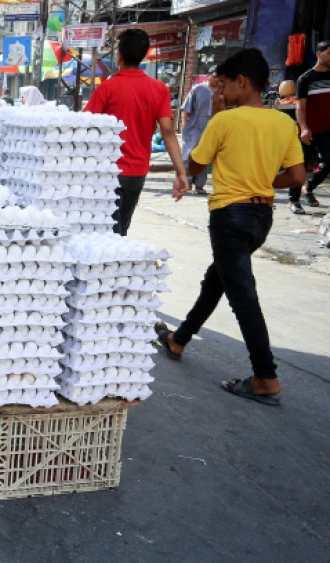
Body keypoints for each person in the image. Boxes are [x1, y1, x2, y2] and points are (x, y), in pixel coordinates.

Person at [156, 49, 305, 406]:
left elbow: (195, 166)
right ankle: (179, 339)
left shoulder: (225, 122)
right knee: (217, 280)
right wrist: (262, 180)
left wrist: (189, 165)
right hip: (261, 217)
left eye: (223, 87)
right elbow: (298, 176)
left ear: (242, 82)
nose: (219, 95)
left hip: (229, 217)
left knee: (242, 296)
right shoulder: (284, 123)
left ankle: (265, 377)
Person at [84, 28, 189, 236]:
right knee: (121, 230)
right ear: (143, 56)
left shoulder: (107, 88)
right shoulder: (159, 89)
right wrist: (181, 172)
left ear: (119, 55)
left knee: (107, 233)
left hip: (107, 172)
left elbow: (84, 127)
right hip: (137, 173)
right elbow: (168, 131)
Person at [293, 40, 330, 213]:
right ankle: (294, 200)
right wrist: (304, 128)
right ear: (318, 54)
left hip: (327, 129)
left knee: (329, 162)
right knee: (299, 164)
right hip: (308, 129)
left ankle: (309, 187)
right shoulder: (305, 78)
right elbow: (300, 106)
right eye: (329, 53)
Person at [180, 66, 223, 196]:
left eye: (219, 77)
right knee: (190, 154)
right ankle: (186, 181)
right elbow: (186, 109)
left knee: (205, 155)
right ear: (208, 75)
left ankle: (199, 185)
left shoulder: (223, 92)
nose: (217, 79)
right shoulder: (198, 89)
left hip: (212, 128)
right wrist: (184, 125)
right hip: (194, 127)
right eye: (215, 76)